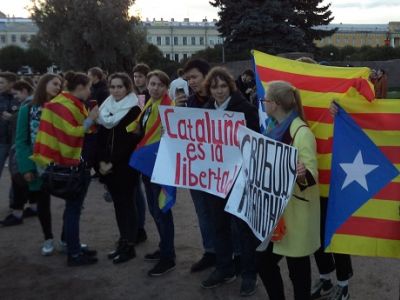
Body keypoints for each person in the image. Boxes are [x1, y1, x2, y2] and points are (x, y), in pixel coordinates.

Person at [257, 81, 320, 300]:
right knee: (263, 262)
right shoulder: (271, 127)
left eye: (265, 99)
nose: (263, 103)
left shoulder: (301, 133)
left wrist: (302, 174)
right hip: (276, 211)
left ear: (274, 104)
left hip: (295, 213)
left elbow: (312, 176)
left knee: (298, 269)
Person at [200, 67, 260, 297]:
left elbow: (255, 142)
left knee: (243, 228)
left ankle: (249, 274)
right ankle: (224, 268)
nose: (219, 91)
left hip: (240, 178)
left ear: (230, 86)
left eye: (223, 86)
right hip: (215, 179)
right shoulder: (205, 111)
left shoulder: (246, 110)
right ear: (209, 89)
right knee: (219, 225)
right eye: (214, 87)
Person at [31, 72, 99, 266]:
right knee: (73, 210)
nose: (90, 91)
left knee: (73, 209)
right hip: (71, 165)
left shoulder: (69, 103)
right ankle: (74, 253)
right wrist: (92, 118)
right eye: (88, 87)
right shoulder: (62, 105)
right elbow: (72, 133)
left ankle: (73, 246)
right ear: (80, 88)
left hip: (74, 164)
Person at [127, 70, 175, 276]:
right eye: (152, 84)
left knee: (162, 210)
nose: (155, 88)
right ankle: (164, 248)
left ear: (166, 88)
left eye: (160, 85)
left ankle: (168, 257)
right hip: (149, 163)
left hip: (159, 164)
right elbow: (142, 127)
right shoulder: (149, 103)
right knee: (156, 210)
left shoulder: (169, 106)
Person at [11, 75, 64, 256]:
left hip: (62, 164)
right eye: (54, 83)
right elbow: (21, 140)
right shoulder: (28, 109)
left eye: (60, 84)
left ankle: (66, 238)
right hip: (37, 165)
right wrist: (26, 168)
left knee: (72, 202)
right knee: (43, 203)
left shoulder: (62, 108)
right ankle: (48, 238)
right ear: (43, 85)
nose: (58, 87)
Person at [175, 59, 217, 272]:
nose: (191, 82)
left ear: (206, 76)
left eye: (194, 77)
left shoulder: (221, 99)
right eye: (188, 78)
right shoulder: (189, 102)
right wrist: (178, 113)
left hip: (220, 171)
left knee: (227, 217)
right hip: (197, 170)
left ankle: (236, 255)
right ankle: (210, 251)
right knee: (203, 213)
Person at [96, 73, 141, 264]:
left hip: (125, 166)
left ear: (127, 88)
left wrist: (111, 162)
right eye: (112, 87)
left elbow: (130, 141)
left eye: (119, 87)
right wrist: (101, 163)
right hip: (108, 166)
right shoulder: (105, 107)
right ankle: (123, 241)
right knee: (118, 205)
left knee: (127, 205)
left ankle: (129, 245)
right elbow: (102, 137)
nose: (115, 90)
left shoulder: (134, 109)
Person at [311, 101, 353, 300]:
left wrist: (343, 108)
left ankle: (343, 283)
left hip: (336, 182)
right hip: (314, 181)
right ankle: (325, 277)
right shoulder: (306, 101)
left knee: (336, 236)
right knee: (316, 235)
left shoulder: (342, 104)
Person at [0, 80, 36, 227]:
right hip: (24, 147)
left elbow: (24, 128)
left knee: (19, 179)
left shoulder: (28, 105)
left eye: (17, 94)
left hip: (22, 148)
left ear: (24, 90)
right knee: (29, 180)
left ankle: (17, 213)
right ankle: (33, 207)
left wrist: (11, 118)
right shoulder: (30, 103)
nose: (16, 97)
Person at [131, 63, 151, 244]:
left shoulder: (150, 96)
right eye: (135, 76)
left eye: (140, 76)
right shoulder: (135, 96)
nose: (137, 79)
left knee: (143, 188)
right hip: (136, 145)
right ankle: (138, 226)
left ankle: (140, 227)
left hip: (147, 146)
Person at [0, 72, 18, 178]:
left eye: (1, 83)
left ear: (11, 84)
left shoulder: (19, 97)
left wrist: (12, 117)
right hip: (1, 141)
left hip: (15, 143)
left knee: (17, 176)